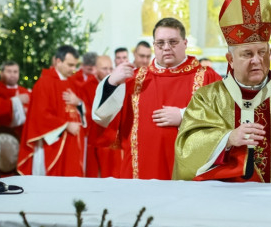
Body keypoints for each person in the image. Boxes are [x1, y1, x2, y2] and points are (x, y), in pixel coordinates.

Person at [174, 0, 271, 183]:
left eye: (262, 52)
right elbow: (186, 149)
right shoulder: (207, 99)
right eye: (247, 54)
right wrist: (227, 139)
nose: (257, 60)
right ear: (230, 59)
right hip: (224, 198)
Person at [93, 18, 221, 180]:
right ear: (154, 45)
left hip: (188, 175)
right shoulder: (135, 79)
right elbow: (102, 119)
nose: (166, 47)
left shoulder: (207, 77)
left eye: (173, 42)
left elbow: (225, 118)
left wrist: (184, 116)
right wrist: (111, 83)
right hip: (141, 172)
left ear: (185, 43)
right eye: (160, 43)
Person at [17, 45, 87, 176]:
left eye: (75, 65)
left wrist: (78, 103)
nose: (73, 69)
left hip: (73, 143)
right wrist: (66, 125)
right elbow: (40, 116)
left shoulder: (72, 83)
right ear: (58, 62)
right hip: (53, 144)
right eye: (70, 65)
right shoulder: (44, 83)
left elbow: (82, 110)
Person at [82, 55, 118, 178]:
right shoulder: (86, 87)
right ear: (96, 69)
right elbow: (86, 113)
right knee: (94, 175)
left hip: (112, 137)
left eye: (111, 68)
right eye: (104, 68)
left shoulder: (117, 85)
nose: (108, 72)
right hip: (95, 136)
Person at [0, 60, 30, 139]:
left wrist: (27, 111)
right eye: (9, 72)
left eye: (15, 72)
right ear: (1, 73)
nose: (12, 75)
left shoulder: (25, 92)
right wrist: (16, 100)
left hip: (22, 135)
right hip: (1, 135)